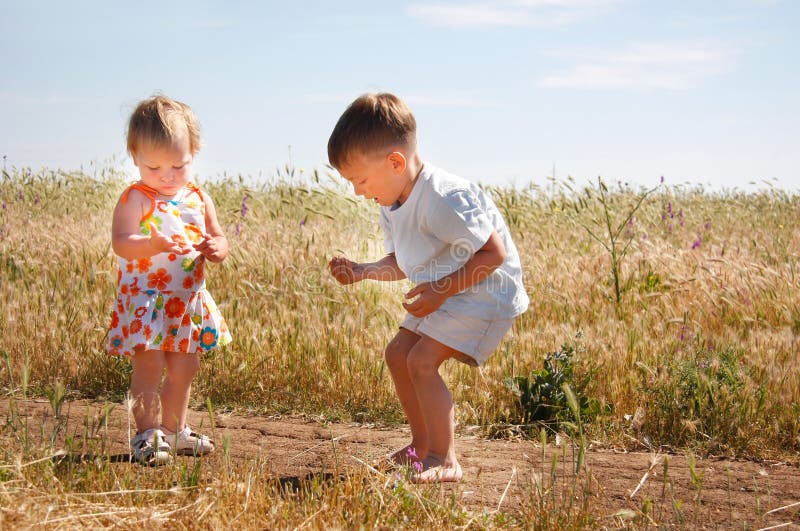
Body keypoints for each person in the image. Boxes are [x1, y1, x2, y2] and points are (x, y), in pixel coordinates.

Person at [327, 93, 529, 483]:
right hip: (450, 288)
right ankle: (422, 449)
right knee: (398, 353)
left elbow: (493, 254)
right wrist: (363, 270)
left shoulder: (444, 197)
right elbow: (405, 261)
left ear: (395, 162)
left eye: (360, 180)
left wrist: (441, 290)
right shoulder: (391, 200)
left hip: (486, 291)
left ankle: (444, 458)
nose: (357, 192)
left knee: (421, 361)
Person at [107, 94, 231, 466]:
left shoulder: (198, 197)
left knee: (185, 368)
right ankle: (147, 434)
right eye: (153, 166)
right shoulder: (136, 198)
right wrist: (150, 243)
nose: (166, 176)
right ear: (135, 158)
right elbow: (121, 243)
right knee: (149, 367)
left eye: (178, 165)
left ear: (195, 152)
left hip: (185, 300)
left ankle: (175, 431)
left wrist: (216, 248)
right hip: (147, 299)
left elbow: (220, 238)